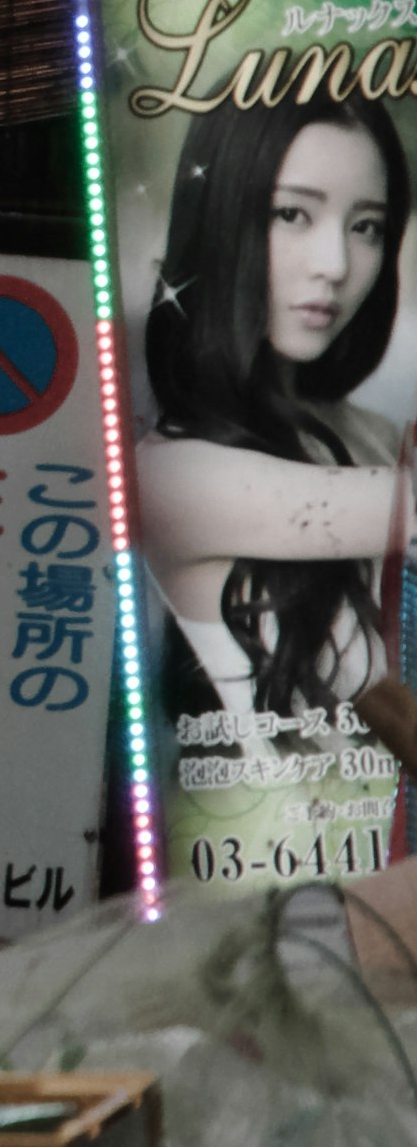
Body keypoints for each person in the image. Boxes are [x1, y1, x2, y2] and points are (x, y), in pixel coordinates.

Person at [133, 93, 411, 723]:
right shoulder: (174, 476)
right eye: (292, 214)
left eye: (366, 225)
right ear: (221, 218)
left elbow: (383, 705)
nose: (335, 265)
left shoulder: (375, 434)